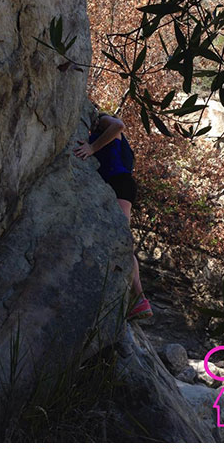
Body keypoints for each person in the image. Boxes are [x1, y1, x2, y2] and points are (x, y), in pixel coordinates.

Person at [74, 105, 152, 323]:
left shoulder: (105, 120)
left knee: (122, 242)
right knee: (119, 241)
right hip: (121, 184)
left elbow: (119, 125)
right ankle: (136, 299)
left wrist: (91, 147)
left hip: (119, 183)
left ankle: (139, 299)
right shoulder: (103, 131)